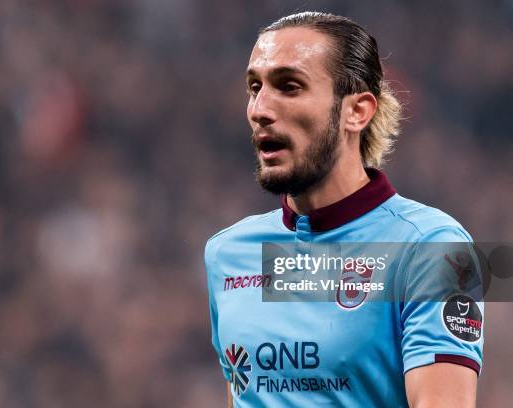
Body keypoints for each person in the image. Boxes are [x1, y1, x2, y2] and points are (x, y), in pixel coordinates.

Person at [204, 12, 483, 407]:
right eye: (254, 87)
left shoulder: (434, 248)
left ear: (357, 111)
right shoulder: (227, 252)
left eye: (289, 86)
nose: (259, 108)